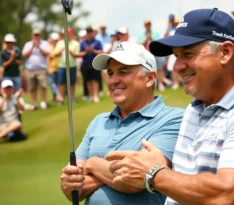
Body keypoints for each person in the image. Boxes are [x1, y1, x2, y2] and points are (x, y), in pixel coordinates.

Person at [105, 8, 234, 205]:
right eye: (176, 57)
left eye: (187, 54)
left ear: (225, 53)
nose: (177, 66)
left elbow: (226, 195)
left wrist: (154, 175)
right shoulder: (195, 109)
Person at [60, 42, 183, 205]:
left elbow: (136, 179)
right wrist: (69, 184)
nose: (113, 80)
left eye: (123, 72)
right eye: (110, 73)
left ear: (150, 78)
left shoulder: (174, 119)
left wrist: (92, 163)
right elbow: (76, 190)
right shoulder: (98, 122)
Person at [138, 20, 171, 91]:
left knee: (159, 69)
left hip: (155, 53)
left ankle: (160, 84)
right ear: (145, 26)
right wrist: (146, 40)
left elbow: (158, 42)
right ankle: (152, 84)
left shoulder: (155, 33)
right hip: (146, 55)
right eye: (147, 25)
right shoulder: (141, 35)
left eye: (149, 24)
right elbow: (139, 45)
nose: (148, 26)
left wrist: (151, 39)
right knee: (148, 70)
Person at [22, 29, 50, 110]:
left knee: (43, 86)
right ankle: (34, 103)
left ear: (40, 35)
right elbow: (25, 55)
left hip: (41, 68)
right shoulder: (28, 44)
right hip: (30, 69)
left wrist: (38, 46)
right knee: (32, 87)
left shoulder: (44, 43)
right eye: (35, 35)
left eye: (38, 35)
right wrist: (32, 47)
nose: (36, 36)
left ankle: (43, 102)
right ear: (32, 36)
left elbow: (47, 53)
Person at [75, 26, 103, 103]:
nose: (89, 34)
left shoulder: (97, 42)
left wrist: (93, 50)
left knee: (95, 80)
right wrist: (86, 52)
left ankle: (96, 96)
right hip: (86, 63)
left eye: (90, 32)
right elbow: (80, 53)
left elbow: (101, 52)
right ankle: (91, 96)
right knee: (88, 80)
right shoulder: (83, 43)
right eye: (88, 33)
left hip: (95, 62)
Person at [54, 28, 79, 105]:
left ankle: (72, 97)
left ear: (71, 34)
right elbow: (55, 54)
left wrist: (70, 51)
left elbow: (76, 55)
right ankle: (61, 98)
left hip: (71, 65)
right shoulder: (60, 43)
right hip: (61, 66)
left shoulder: (75, 43)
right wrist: (62, 49)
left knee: (72, 83)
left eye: (68, 34)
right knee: (61, 83)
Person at [48, 32, 60, 102]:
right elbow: (50, 57)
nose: (55, 41)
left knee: (57, 83)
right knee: (52, 83)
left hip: (58, 68)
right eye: (54, 40)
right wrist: (49, 68)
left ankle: (57, 96)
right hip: (51, 68)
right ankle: (57, 95)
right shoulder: (49, 47)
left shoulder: (59, 46)